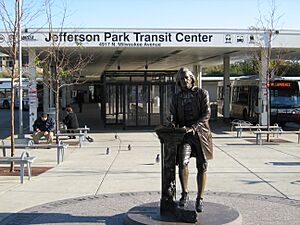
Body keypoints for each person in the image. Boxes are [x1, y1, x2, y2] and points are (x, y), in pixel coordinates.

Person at [169, 67, 213, 213]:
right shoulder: (176, 98)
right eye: (181, 79)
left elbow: (206, 114)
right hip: (185, 136)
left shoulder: (202, 93)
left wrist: (194, 127)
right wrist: (171, 122)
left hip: (201, 135)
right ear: (178, 82)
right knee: (182, 163)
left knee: (202, 166)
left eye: (187, 77)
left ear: (192, 78)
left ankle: (200, 198)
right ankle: (185, 194)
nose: (185, 80)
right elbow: (173, 116)